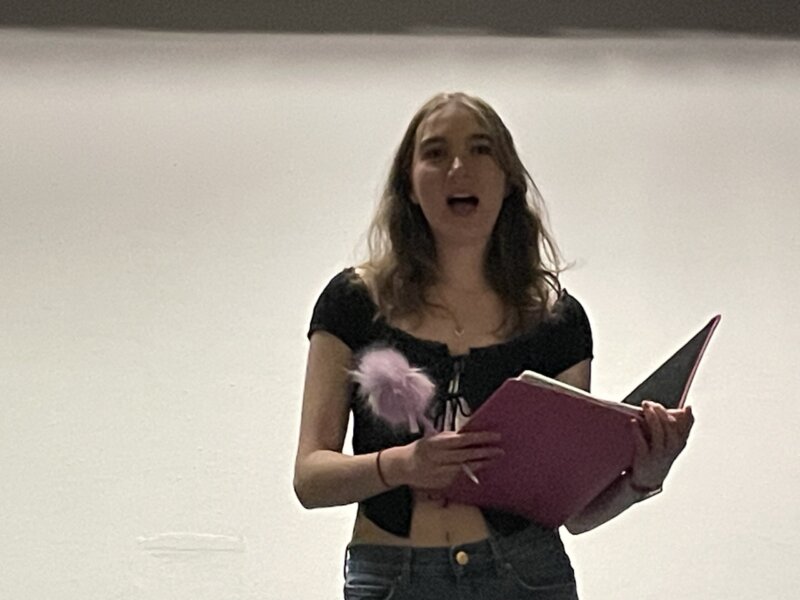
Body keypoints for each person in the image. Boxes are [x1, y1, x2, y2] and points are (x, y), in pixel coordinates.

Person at [293, 92, 694, 599]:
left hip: (525, 574)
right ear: (409, 185)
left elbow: (571, 514)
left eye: (480, 150)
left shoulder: (556, 321)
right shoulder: (353, 303)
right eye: (435, 153)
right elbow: (309, 479)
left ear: (508, 180)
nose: (458, 167)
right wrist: (401, 465)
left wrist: (644, 476)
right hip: (393, 576)